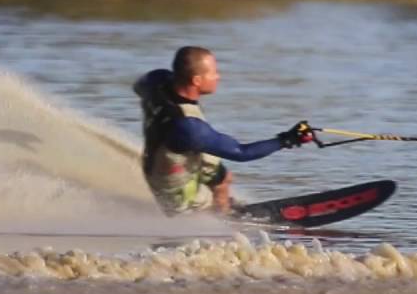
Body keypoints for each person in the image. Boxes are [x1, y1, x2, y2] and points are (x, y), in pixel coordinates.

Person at [134, 46, 313, 217]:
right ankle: (221, 221)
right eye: (213, 72)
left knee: (223, 177)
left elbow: (138, 86)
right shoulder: (189, 128)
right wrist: (287, 139)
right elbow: (241, 153)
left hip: (168, 156)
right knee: (200, 212)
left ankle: (223, 206)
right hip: (173, 186)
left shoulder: (157, 80)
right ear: (196, 80)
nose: (218, 77)